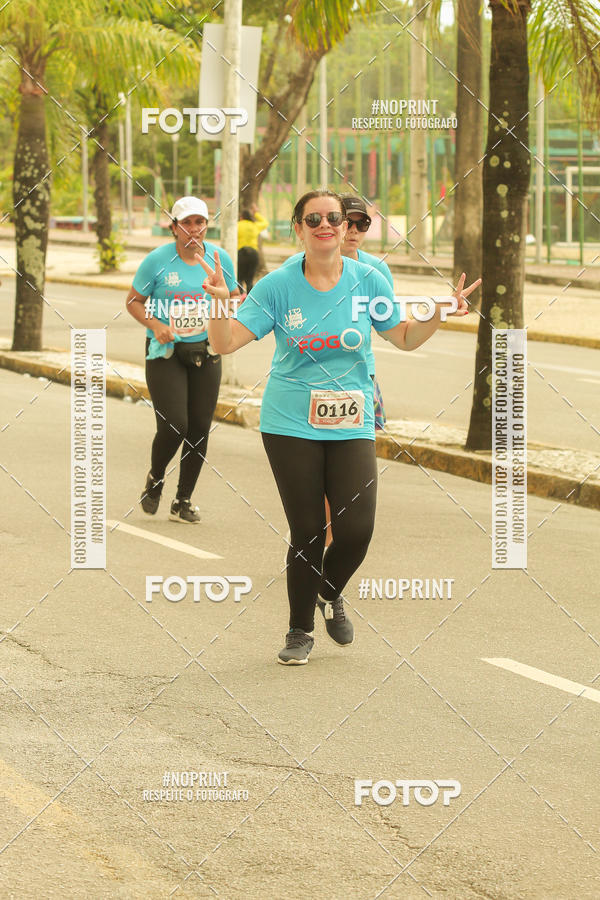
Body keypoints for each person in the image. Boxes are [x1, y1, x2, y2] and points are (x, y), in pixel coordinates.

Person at [197, 189, 479, 665]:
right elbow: (225, 345)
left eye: (334, 217)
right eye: (315, 219)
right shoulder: (278, 286)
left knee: (357, 530)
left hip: (351, 419)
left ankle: (329, 592)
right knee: (307, 529)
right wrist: (220, 304)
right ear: (299, 228)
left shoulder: (369, 279)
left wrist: (439, 313)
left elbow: (405, 337)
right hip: (289, 421)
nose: (327, 225)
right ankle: (299, 629)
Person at [125, 196, 239, 523]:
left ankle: (183, 499)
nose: (193, 229)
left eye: (199, 222)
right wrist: (156, 325)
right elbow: (133, 301)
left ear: (206, 226)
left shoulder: (220, 259)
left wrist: (228, 305)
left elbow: (231, 299)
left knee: (200, 429)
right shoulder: (157, 261)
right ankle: (156, 478)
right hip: (166, 352)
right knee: (175, 424)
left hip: (206, 350)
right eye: (186, 223)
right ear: (174, 228)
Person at [237, 203, 269, 293]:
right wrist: (256, 213)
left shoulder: (238, 225)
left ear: (241, 217)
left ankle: (240, 298)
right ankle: (249, 299)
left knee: (239, 278)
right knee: (249, 280)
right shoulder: (255, 225)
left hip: (241, 253)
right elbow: (265, 223)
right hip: (254, 254)